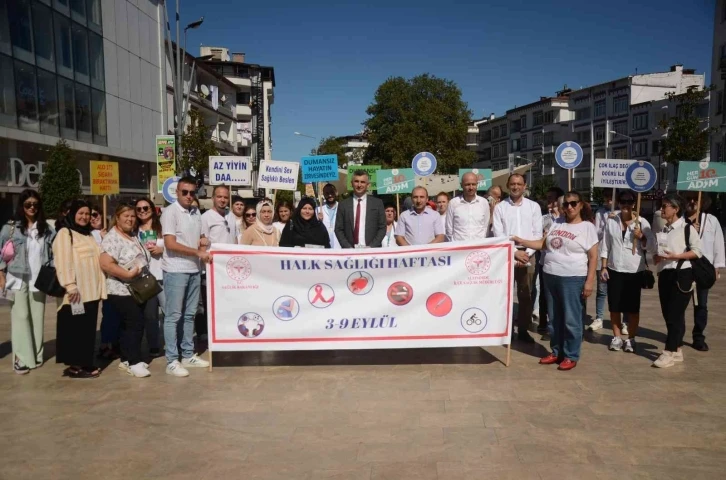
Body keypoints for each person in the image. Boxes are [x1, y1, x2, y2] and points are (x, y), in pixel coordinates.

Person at [513, 191, 598, 371]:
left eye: (573, 203)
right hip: (550, 275)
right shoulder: (557, 223)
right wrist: (521, 240)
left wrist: (590, 281)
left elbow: (593, 256)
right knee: (554, 318)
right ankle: (556, 350)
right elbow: (543, 244)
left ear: (581, 205)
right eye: (566, 204)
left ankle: (571, 354)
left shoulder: (587, 227)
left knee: (571, 318)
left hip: (573, 278)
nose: (569, 207)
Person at [0, 190, 55, 374]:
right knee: (21, 317)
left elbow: (55, 249)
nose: (32, 207)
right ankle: (22, 358)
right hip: (16, 278)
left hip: (39, 279)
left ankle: (36, 356)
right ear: (21, 206)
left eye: (35, 204)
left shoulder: (46, 229)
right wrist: (0, 274)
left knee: (37, 318)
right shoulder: (11, 228)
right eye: (28, 204)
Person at [160, 176, 211, 377]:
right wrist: (196, 252)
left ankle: (188, 354)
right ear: (177, 192)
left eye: (192, 192)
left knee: (190, 314)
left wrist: (202, 241)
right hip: (175, 269)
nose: (189, 196)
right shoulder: (169, 212)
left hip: (194, 270)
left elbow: (197, 238)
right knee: (173, 316)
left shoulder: (196, 212)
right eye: (185, 192)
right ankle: (172, 360)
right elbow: (170, 244)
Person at [53, 199, 107, 378]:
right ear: (72, 214)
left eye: (87, 214)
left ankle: (85, 362)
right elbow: (62, 260)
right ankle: (75, 366)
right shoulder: (65, 233)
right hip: (76, 293)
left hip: (91, 292)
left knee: (87, 330)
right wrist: (70, 285)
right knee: (74, 330)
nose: (84, 217)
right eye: (80, 213)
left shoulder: (88, 235)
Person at [600, 190, 655, 353]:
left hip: (634, 270)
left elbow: (652, 246)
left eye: (629, 202)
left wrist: (642, 236)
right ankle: (616, 337)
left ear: (634, 204)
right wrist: (603, 266)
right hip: (614, 267)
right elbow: (605, 245)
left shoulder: (642, 222)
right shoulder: (611, 221)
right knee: (614, 306)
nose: (626, 205)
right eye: (622, 201)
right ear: (618, 203)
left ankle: (631, 338)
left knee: (632, 308)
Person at [100, 204, 151, 378]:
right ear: (117, 217)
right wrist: (128, 275)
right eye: (126, 216)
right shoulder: (112, 237)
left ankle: (127, 359)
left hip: (136, 289)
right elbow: (106, 263)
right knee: (133, 324)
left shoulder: (132, 235)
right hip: (121, 289)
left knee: (131, 324)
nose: (130, 219)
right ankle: (134, 361)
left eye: (132, 216)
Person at [652, 194, 702, 368]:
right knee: (669, 314)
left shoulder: (687, 228)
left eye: (665, 206)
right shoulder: (663, 230)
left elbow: (697, 251)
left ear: (676, 208)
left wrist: (677, 256)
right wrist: (657, 257)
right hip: (665, 273)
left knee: (674, 313)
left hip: (682, 274)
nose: (662, 209)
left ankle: (668, 351)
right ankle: (678, 349)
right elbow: (660, 253)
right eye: (662, 205)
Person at [492, 174, 543, 343]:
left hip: (529, 254)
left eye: (519, 184)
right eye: (512, 184)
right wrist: (514, 252)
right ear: (507, 186)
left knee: (525, 294)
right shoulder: (500, 208)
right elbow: (498, 233)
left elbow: (537, 233)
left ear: (524, 185)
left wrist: (526, 253)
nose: (515, 187)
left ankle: (523, 329)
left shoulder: (534, 207)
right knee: (504, 294)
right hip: (506, 254)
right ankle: (505, 330)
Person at [681, 192, 724, 352]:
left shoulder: (711, 220)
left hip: (703, 268)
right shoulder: (679, 221)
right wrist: (688, 229)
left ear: (702, 202)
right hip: (683, 267)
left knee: (701, 304)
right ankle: (677, 334)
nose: (692, 202)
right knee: (680, 304)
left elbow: (718, 243)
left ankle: (698, 337)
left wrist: (717, 266)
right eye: (688, 199)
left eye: (695, 199)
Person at [136, 197, 165, 358]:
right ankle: (154, 345)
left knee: (170, 313)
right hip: (145, 278)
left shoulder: (162, 227)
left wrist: (162, 250)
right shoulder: (134, 230)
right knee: (150, 316)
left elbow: (173, 245)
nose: (142, 211)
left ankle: (173, 343)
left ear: (152, 209)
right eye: (139, 209)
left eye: (145, 208)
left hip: (163, 274)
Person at [535, 186, 565, 336]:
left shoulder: (566, 220)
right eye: (547, 199)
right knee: (545, 295)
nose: (549, 202)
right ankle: (543, 323)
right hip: (545, 260)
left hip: (563, 264)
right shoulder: (544, 219)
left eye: (552, 199)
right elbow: (537, 239)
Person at [335, 170, 386, 248]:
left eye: (362, 182)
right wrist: (348, 247)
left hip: (372, 251)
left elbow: (382, 228)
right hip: (350, 251)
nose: (359, 185)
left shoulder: (377, 203)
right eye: (356, 181)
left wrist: (371, 247)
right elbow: (338, 229)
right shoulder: (343, 205)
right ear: (351, 183)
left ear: (368, 185)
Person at [588, 189, 616, 332]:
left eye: (610, 198)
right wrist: (607, 224)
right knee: (602, 288)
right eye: (606, 198)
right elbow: (596, 232)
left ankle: (622, 321)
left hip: (616, 255)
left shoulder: (621, 212)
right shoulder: (599, 212)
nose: (608, 201)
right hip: (601, 253)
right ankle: (599, 317)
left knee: (617, 290)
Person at [445, 172, 490, 242]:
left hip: (478, 247)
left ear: (477, 185)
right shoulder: (453, 203)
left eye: (473, 184)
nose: (471, 187)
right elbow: (449, 228)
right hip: (459, 247)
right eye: (467, 184)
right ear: (461, 185)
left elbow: (486, 227)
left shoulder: (484, 202)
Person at [318, 184, 341, 249]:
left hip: (340, 247)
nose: (330, 195)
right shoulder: (319, 210)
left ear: (336, 192)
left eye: (332, 192)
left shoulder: (342, 208)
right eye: (327, 193)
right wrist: (318, 221)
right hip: (324, 247)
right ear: (323, 194)